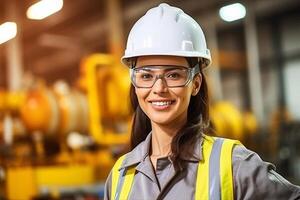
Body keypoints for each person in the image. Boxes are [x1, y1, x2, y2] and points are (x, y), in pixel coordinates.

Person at [104, 3, 300, 200]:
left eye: (173, 75)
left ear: (195, 84)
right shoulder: (120, 175)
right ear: (134, 83)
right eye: (146, 76)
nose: (159, 89)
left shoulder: (235, 165)